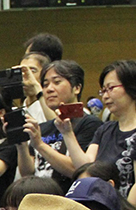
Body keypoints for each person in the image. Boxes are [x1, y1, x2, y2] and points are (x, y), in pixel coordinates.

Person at [63, 60, 136, 210]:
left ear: (133, 88)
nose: (105, 96)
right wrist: (67, 133)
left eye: (111, 88)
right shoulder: (105, 129)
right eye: (103, 90)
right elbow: (86, 166)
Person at [21, 60, 103, 193]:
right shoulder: (43, 127)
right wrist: (21, 145)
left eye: (57, 82)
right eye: (45, 84)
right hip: (39, 200)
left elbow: (79, 170)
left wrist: (40, 145)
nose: (49, 89)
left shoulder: (90, 124)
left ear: (77, 88)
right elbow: (27, 173)